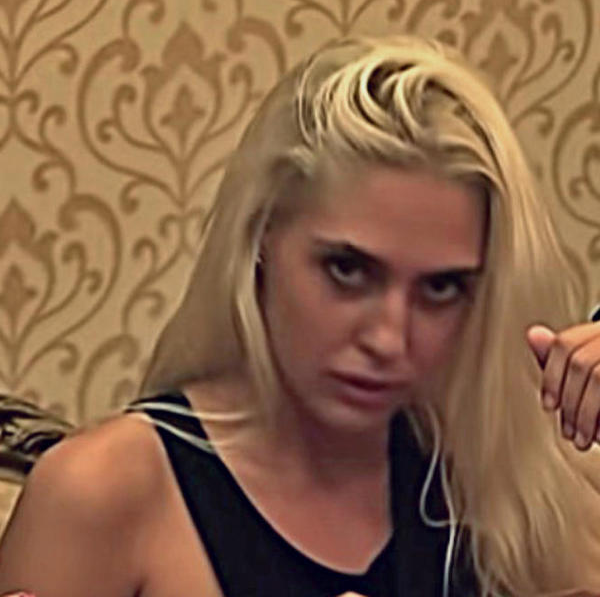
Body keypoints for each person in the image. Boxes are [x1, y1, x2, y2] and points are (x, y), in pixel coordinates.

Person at [0, 34, 600, 597]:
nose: (389, 338)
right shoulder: (103, 492)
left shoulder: (485, 485)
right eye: (347, 269)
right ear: (261, 236)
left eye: (440, 288)